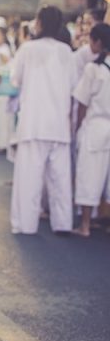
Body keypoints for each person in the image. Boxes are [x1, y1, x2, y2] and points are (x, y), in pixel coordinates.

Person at [10, 5, 77, 235]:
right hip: (59, 123)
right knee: (60, 179)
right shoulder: (67, 51)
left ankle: (25, 225)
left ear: (38, 22)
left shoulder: (28, 49)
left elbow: (15, 79)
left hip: (33, 123)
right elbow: (74, 86)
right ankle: (63, 223)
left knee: (29, 177)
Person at [72, 23, 110, 237]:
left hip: (95, 126)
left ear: (97, 42)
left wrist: (77, 127)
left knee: (89, 174)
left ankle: (85, 225)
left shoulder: (93, 68)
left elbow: (82, 102)